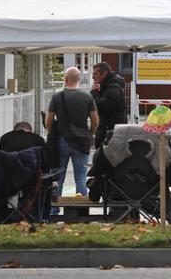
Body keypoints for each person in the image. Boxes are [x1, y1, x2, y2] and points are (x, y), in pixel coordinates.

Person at [45, 66, 98, 200]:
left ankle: (55, 209)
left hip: (61, 140)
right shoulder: (87, 96)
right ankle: (82, 210)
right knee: (80, 177)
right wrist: (89, 134)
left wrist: (50, 132)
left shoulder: (57, 97)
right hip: (81, 141)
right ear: (79, 79)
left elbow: (48, 121)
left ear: (66, 79)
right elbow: (95, 121)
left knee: (59, 177)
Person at [90, 62, 126, 150]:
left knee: (105, 158)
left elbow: (103, 106)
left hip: (111, 130)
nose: (93, 77)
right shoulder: (108, 85)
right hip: (108, 128)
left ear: (104, 73)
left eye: (95, 74)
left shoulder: (114, 86)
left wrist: (94, 93)